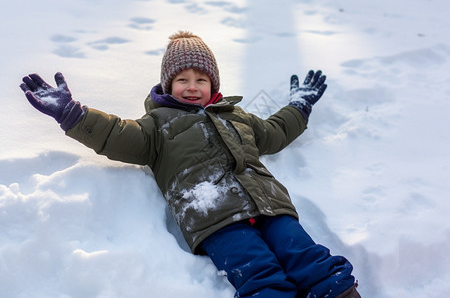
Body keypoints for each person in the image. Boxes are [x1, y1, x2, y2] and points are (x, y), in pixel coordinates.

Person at [20, 31, 361, 298]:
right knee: (260, 275)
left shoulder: (237, 116)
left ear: (213, 84)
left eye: (201, 79)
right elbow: (116, 134)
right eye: (182, 80)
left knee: (311, 260)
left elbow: (273, 133)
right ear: (168, 84)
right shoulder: (156, 126)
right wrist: (73, 115)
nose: (192, 87)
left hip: (270, 206)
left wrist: (299, 108)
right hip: (213, 216)